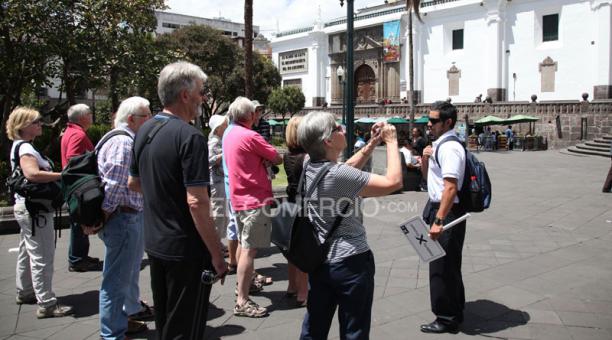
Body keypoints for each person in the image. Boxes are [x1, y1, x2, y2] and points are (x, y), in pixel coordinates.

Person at [128, 61, 227, 339]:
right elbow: (197, 202)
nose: (203, 98)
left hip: (156, 243)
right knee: (185, 327)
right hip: (185, 250)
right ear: (185, 95)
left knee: (166, 323)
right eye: (201, 91)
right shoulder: (190, 137)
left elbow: (134, 183)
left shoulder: (144, 131)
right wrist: (217, 255)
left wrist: (165, 200)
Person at [297, 111, 402, 340]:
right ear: (328, 141)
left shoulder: (309, 165)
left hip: (320, 260)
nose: (343, 129)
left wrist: (372, 143)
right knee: (354, 330)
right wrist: (392, 141)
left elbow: (347, 167)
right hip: (351, 263)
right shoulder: (338, 175)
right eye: (337, 128)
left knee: (314, 327)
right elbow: (393, 182)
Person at [7, 107, 74, 318]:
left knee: (27, 251)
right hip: (35, 210)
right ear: (23, 126)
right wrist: (62, 175)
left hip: (25, 207)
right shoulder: (26, 148)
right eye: (35, 122)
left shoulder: (18, 145)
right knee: (42, 256)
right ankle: (47, 303)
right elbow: (33, 174)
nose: (40, 124)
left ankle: (25, 291)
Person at [96, 97, 153, 339]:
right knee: (116, 281)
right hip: (123, 218)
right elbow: (115, 184)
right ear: (132, 119)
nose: (149, 120)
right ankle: (112, 333)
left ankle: (122, 321)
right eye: (146, 117)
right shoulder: (123, 142)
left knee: (123, 276)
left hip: (124, 217)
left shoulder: (118, 138)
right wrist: (105, 215)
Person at [222, 96, 282, 318]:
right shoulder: (251, 135)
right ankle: (242, 300)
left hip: (238, 198)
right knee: (249, 249)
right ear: (248, 115)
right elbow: (276, 158)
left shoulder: (229, 133)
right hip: (254, 200)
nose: (257, 115)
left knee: (242, 244)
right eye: (254, 112)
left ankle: (242, 287)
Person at [419, 100, 467, 334]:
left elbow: (450, 187)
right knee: (447, 265)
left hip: (446, 211)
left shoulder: (450, 148)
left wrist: (439, 221)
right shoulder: (439, 145)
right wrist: (426, 158)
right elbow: (429, 178)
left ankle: (446, 318)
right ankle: (455, 309)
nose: (429, 124)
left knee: (441, 266)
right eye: (429, 120)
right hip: (437, 206)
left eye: (434, 121)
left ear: (448, 122)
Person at [61, 103, 103, 272]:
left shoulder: (70, 131)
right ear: (83, 117)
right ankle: (77, 259)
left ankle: (80, 256)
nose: (92, 116)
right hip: (79, 186)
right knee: (80, 222)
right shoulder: (78, 134)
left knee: (78, 222)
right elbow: (73, 158)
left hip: (74, 186)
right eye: (90, 113)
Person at [282, 116, 309, 307]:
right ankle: (303, 292)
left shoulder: (286, 155)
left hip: (290, 203)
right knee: (304, 250)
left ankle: (292, 286)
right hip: (304, 205)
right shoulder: (307, 157)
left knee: (292, 249)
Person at [208, 114, 230, 247]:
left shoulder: (221, 140)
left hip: (221, 181)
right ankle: (214, 245)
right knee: (218, 214)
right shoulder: (214, 142)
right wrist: (224, 153)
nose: (226, 127)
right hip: (217, 182)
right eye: (224, 125)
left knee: (222, 214)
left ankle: (218, 243)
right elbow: (209, 160)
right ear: (217, 128)